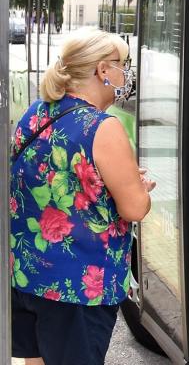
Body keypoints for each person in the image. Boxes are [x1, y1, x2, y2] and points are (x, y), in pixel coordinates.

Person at [9, 29, 156, 365]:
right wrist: (140, 190)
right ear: (103, 70)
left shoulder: (37, 112)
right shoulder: (102, 127)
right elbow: (133, 208)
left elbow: (58, 180)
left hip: (26, 276)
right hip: (77, 291)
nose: (125, 74)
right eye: (122, 65)